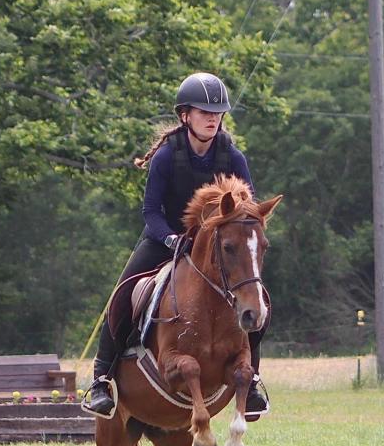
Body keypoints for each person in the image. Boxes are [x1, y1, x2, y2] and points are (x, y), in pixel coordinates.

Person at [81, 72, 270, 421]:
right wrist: (169, 238)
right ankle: (102, 379)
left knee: (258, 298)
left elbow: (247, 210)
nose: (212, 118)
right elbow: (150, 211)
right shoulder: (167, 157)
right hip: (164, 239)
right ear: (186, 115)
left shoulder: (233, 157)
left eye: (217, 113)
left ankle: (253, 379)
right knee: (123, 293)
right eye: (203, 112)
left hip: (216, 248)